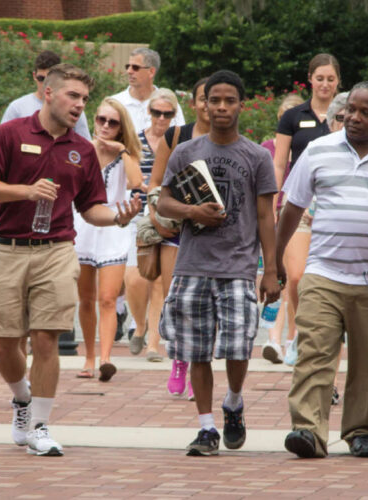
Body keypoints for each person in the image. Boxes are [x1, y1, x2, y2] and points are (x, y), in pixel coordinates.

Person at [0, 64, 141, 457]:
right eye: (73, 96)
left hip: (58, 250)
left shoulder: (81, 150)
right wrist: (25, 192)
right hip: (7, 248)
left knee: (46, 338)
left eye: (84, 99)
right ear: (48, 93)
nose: (80, 105)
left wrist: (119, 215)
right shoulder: (9, 134)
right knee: (3, 343)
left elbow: (92, 209)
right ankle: (22, 399)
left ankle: (41, 426)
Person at [277, 82, 368, 460]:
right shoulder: (319, 150)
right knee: (313, 353)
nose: (353, 117)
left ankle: (362, 431)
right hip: (323, 272)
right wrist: (273, 260)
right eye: (349, 110)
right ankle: (308, 430)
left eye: (364, 112)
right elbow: (292, 208)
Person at [157, 70, 280, 456]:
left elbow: (265, 216)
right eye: (215, 101)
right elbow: (163, 203)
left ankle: (234, 401)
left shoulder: (257, 156)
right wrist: (193, 210)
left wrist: (271, 270)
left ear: (242, 105)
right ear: (203, 105)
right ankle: (206, 427)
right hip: (192, 265)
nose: (222, 107)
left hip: (238, 267)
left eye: (230, 101)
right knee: (195, 351)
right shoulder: (185, 152)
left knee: (239, 347)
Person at [269, 54, 341, 367]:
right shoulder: (293, 116)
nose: (325, 84)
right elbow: (279, 161)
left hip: (334, 203)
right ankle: (296, 333)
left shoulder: (345, 114)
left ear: (338, 81)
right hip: (298, 201)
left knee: (325, 277)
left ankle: (318, 340)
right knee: (296, 276)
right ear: (309, 79)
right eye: (320, 78)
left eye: (331, 79)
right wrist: (273, 201)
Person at [148, 77, 212, 398]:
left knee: (205, 305)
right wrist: (157, 220)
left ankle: (196, 361)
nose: (209, 105)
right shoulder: (176, 136)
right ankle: (179, 360)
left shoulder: (230, 138)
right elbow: (155, 183)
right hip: (177, 231)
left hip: (214, 235)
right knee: (177, 299)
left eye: (215, 99)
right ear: (195, 102)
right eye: (203, 98)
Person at [74, 98, 143, 381]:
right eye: (101, 119)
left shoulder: (125, 153)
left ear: (121, 126)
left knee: (108, 297)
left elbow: (136, 180)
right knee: (86, 298)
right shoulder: (80, 149)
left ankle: (105, 358)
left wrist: (124, 151)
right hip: (84, 224)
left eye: (112, 122)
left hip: (114, 226)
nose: (104, 126)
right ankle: (89, 358)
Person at [125, 88, 180, 361]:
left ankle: (154, 344)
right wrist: (147, 190)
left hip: (167, 213)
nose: (161, 118)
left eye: (166, 113)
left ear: (174, 114)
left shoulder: (179, 141)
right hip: (139, 212)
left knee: (160, 281)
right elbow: (130, 177)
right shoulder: (135, 140)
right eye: (156, 112)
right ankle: (140, 325)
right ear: (149, 112)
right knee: (136, 279)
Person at [259, 93, 303, 365]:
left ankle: (292, 337)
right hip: (276, 212)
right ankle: (273, 339)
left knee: (296, 280)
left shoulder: (304, 147)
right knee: (278, 278)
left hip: (299, 213)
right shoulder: (267, 147)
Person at [2, 50, 91, 139]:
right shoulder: (17, 108)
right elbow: (3, 140)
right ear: (34, 76)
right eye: (41, 78)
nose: (45, 83)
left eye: (49, 79)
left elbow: (84, 145)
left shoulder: (73, 110)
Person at [110, 47, 186, 132]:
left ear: (151, 72)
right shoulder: (115, 103)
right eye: (128, 66)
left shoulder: (170, 104)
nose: (129, 71)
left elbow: (181, 140)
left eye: (135, 67)